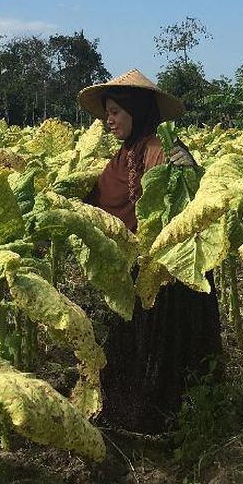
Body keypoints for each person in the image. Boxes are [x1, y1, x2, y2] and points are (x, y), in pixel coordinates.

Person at [77, 68, 222, 434]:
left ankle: (171, 423)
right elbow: (102, 197)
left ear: (137, 112)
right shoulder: (125, 155)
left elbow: (194, 209)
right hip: (138, 267)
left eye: (115, 112)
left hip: (169, 276)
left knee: (166, 352)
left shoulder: (166, 152)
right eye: (106, 113)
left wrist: (191, 172)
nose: (108, 121)